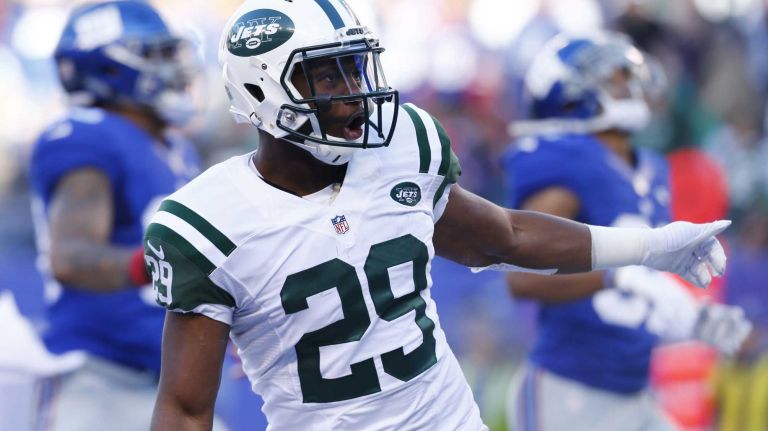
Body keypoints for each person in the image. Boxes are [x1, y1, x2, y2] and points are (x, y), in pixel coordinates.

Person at [147, 2, 731, 430]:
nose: (354, 93)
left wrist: (652, 247)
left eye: (356, 67)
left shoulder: (404, 145)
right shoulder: (208, 222)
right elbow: (186, 407)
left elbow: (505, 236)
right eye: (329, 75)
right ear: (262, 91)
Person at [501, 33, 752, 431]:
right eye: (614, 79)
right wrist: (617, 275)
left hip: (634, 391)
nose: (628, 87)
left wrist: (692, 321)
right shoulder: (568, 160)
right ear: (568, 95)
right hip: (571, 391)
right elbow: (521, 276)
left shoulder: (651, 169)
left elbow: (635, 302)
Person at [28, 1, 203, 429]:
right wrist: (157, 264)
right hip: (99, 379)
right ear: (107, 69)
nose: (174, 67)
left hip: (172, 379)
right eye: (155, 55)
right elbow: (70, 255)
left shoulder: (177, 148)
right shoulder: (88, 134)